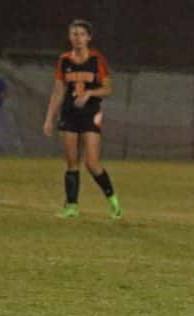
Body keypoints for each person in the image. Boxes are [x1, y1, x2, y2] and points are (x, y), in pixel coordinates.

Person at [42, 19, 122, 219]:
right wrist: (49, 118)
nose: (77, 38)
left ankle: (113, 201)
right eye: (73, 34)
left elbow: (108, 88)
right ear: (69, 37)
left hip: (90, 114)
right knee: (71, 162)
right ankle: (71, 206)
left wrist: (89, 94)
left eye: (81, 34)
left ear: (89, 38)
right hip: (69, 114)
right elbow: (58, 92)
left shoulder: (97, 60)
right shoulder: (64, 61)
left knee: (92, 163)